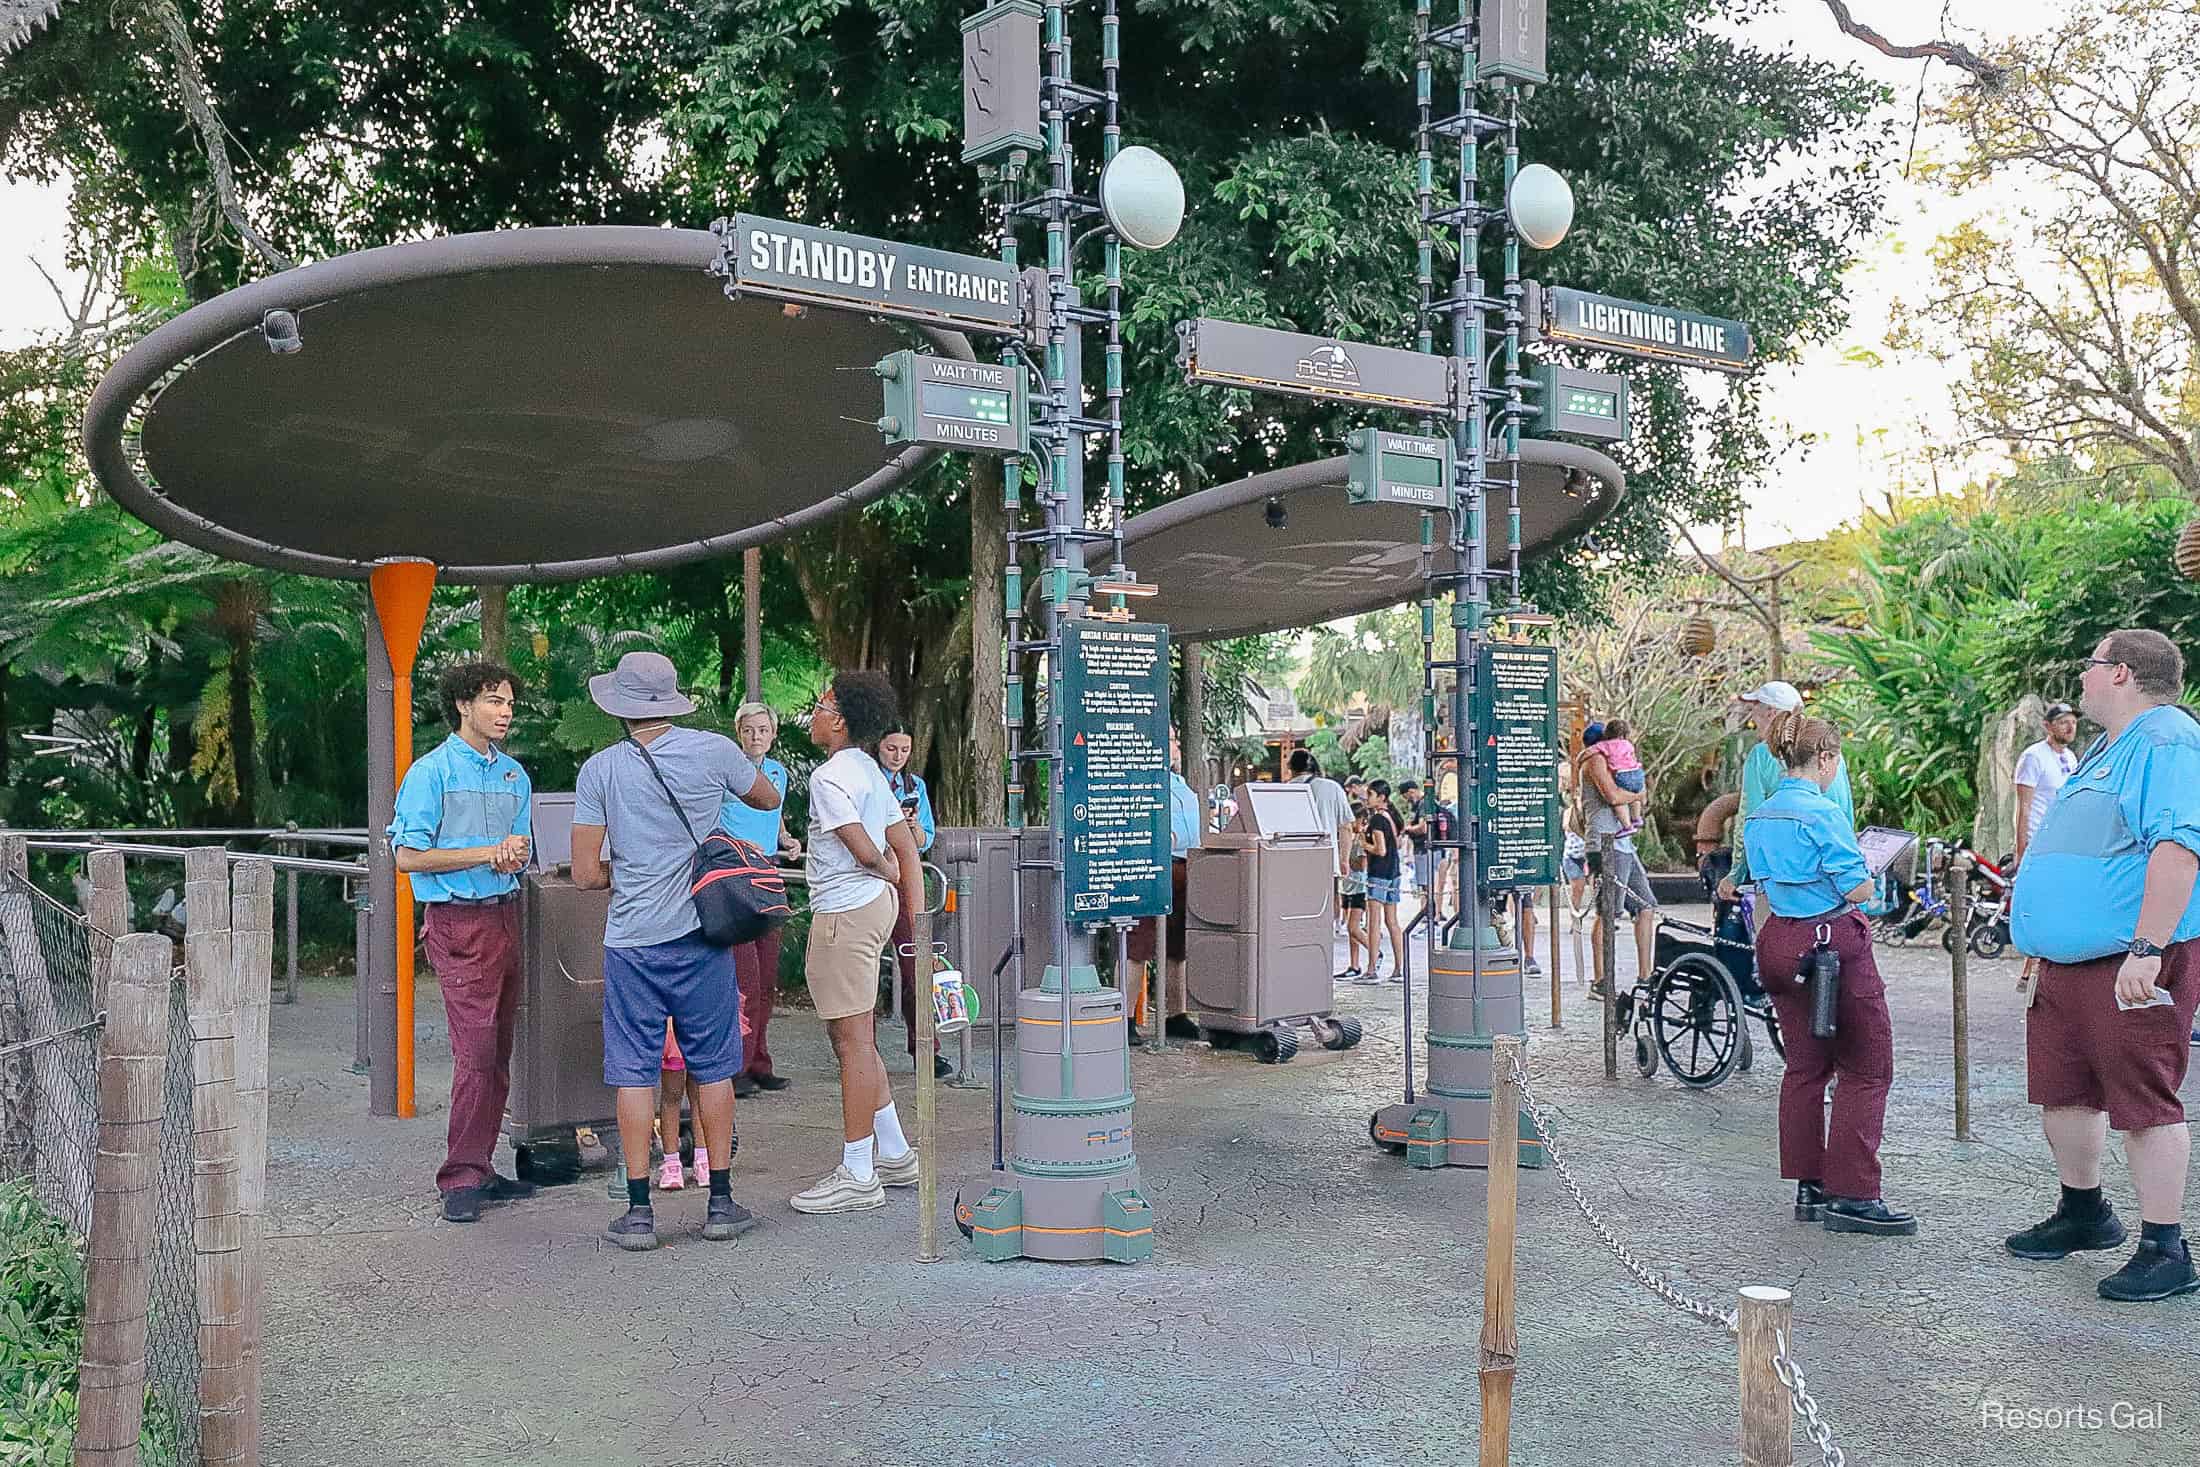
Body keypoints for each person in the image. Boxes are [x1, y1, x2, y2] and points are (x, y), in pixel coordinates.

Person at [2005, 629, 2200, 1303]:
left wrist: (2148, 948)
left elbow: (2178, 846)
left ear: (2120, 673)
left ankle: (2166, 1245)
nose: (2081, 678)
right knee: (2065, 1091)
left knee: (2144, 1100)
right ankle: (2085, 1211)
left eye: (2089, 664)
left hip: (2128, 957)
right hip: (2069, 963)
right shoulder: (2104, 747)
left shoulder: (2166, 738)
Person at [569, 651, 781, 1251]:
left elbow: (585, 875)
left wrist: (629, 869)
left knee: (634, 1072)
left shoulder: (600, 770)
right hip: (701, 936)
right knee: (713, 1066)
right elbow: (766, 799)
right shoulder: (714, 751)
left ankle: (638, 1212)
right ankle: (720, 1201)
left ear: (619, 707)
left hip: (632, 943)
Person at [1743, 712, 1913, 1237]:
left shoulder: (1760, 817)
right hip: (1831, 941)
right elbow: (1857, 889)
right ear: (1825, 759)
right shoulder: (1822, 814)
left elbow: (1765, 886)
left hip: (1780, 941)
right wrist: (1871, 872)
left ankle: (1809, 1183)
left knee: (1803, 1067)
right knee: (1866, 1066)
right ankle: (1855, 1193)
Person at [390, 661, 538, 1224]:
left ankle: (479, 1164)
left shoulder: (514, 776)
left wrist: (514, 854)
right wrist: (485, 853)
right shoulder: (431, 773)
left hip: (505, 914)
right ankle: (460, 1176)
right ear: (462, 705)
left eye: (508, 703)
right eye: (493, 702)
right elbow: (406, 856)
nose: (504, 712)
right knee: (474, 1052)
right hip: (456, 919)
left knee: (498, 1049)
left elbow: (521, 846)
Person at [790, 672, 925, 1216]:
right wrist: (914, 915)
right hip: (873, 909)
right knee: (859, 1037)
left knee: (851, 1043)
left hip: (844, 910)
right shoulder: (870, 770)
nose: (814, 715)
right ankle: (892, 1152)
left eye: (821, 705)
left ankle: (857, 1170)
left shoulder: (829, 778)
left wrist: (883, 867)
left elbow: (867, 848)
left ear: (840, 719)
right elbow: (905, 844)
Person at [722, 701, 801, 1098]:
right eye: (749, 730)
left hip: (768, 869)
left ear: (773, 734)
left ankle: (759, 1062)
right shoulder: (727, 771)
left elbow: (774, 810)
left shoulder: (777, 772)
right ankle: (734, 1065)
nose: (756, 737)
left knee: (767, 975)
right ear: (739, 733)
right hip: (736, 872)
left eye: (763, 730)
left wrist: (786, 838)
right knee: (743, 978)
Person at [1721, 680, 1854, 908]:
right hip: (1832, 874)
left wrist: (1735, 874)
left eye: (1755, 709)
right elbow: (1845, 813)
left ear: (1770, 712)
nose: (1752, 717)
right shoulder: (1829, 754)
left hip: (1783, 880)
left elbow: (1749, 817)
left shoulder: (1761, 755)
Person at [879, 724, 948, 1078]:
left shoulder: (914, 787)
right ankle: (866, 1050)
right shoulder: (868, 780)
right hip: (874, 872)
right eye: (892, 748)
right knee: (867, 965)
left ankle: (925, 1045)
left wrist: (911, 826)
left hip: (908, 875)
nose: (897, 756)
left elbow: (925, 839)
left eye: (904, 750)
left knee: (915, 961)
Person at [1129, 728, 1203, 1040]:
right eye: (1170, 738)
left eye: (1174, 738)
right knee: (1138, 946)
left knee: (1178, 947)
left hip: (1186, 865)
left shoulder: (1179, 782)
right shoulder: (1140, 779)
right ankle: (1125, 1019)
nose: (1175, 744)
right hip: (1152, 866)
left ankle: (1177, 1014)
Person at [1577, 720, 1659, 996]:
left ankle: (1645, 975)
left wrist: (1634, 794)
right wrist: (1634, 793)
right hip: (1605, 842)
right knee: (1607, 912)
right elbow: (1612, 795)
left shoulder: (1613, 760)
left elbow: (1638, 794)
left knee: (1646, 905)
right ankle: (1601, 980)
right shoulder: (1594, 760)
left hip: (1624, 843)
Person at [2010, 701, 2081, 993]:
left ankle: (2041, 965)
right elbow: (2023, 807)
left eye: (2073, 722)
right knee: (2039, 904)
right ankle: (2030, 967)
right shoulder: (2033, 757)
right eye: (2063, 721)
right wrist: (2021, 847)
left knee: (2061, 903)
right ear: (2048, 726)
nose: (2069, 727)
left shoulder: (2071, 758)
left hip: (2065, 842)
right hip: (2040, 841)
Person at [1359, 780, 1406, 983]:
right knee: (1392, 922)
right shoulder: (1392, 817)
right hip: (1393, 872)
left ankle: (1371, 969)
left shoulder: (1377, 819)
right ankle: (1399, 968)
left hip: (1378, 873)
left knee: (1373, 923)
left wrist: (1363, 843)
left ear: (1381, 797)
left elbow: (1380, 849)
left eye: (1370, 794)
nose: (1366, 798)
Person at [1338, 804, 1372, 980]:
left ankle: (1375, 952)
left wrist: (1346, 855)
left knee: (1353, 927)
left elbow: (1362, 865)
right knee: (1351, 931)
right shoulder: (1346, 835)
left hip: (1358, 887)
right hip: (1346, 886)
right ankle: (1354, 964)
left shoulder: (1360, 838)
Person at [1597, 717, 1648, 834]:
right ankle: (1636, 818)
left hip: (1622, 775)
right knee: (1635, 794)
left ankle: (1627, 826)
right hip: (1637, 773)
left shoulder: (1605, 745)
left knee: (1620, 800)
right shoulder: (1628, 744)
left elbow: (1593, 750)